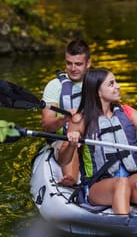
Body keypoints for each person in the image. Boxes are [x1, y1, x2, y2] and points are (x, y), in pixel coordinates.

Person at [58, 67, 137, 214]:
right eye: (111, 84)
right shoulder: (80, 119)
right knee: (121, 183)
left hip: (132, 175)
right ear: (98, 91)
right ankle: (123, 225)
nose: (118, 86)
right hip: (99, 184)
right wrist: (71, 145)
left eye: (116, 82)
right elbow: (63, 159)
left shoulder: (127, 112)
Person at [41, 39, 91, 186]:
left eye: (78, 64)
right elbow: (47, 126)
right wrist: (63, 119)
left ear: (88, 63)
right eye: (69, 63)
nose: (73, 68)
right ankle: (71, 179)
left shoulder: (97, 82)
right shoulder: (54, 86)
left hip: (93, 135)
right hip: (65, 138)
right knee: (71, 141)